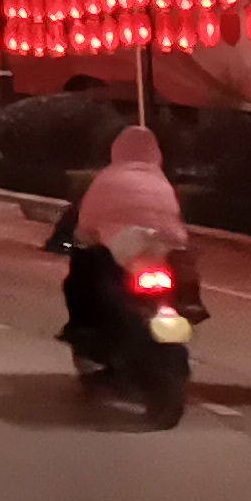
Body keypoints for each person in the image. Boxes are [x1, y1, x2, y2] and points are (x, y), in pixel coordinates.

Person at [55, 122, 188, 357]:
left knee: (79, 279)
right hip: (163, 252)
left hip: (120, 255)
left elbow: (86, 225)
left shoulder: (106, 180)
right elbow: (175, 221)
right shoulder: (161, 182)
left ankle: (82, 329)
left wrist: (82, 238)